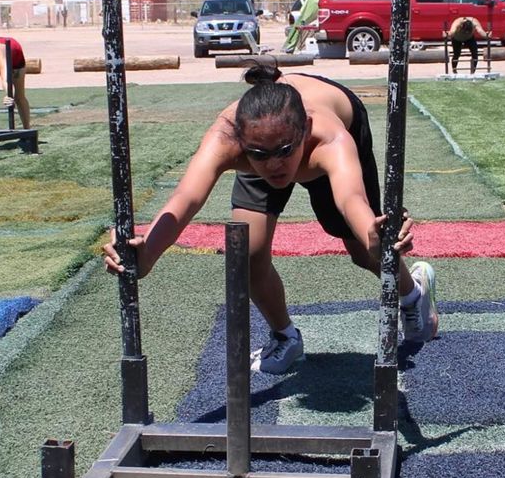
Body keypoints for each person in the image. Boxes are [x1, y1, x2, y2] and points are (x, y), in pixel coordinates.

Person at [103, 65, 439, 374]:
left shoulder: (331, 139)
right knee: (247, 255)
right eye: (260, 156)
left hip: (334, 125)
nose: (274, 166)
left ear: (304, 130)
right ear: (242, 142)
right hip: (272, 132)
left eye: (284, 152)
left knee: (363, 253)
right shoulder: (229, 138)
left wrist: (372, 235)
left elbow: (352, 199)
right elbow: (185, 198)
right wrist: (147, 254)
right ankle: (285, 337)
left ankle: (413, 294)